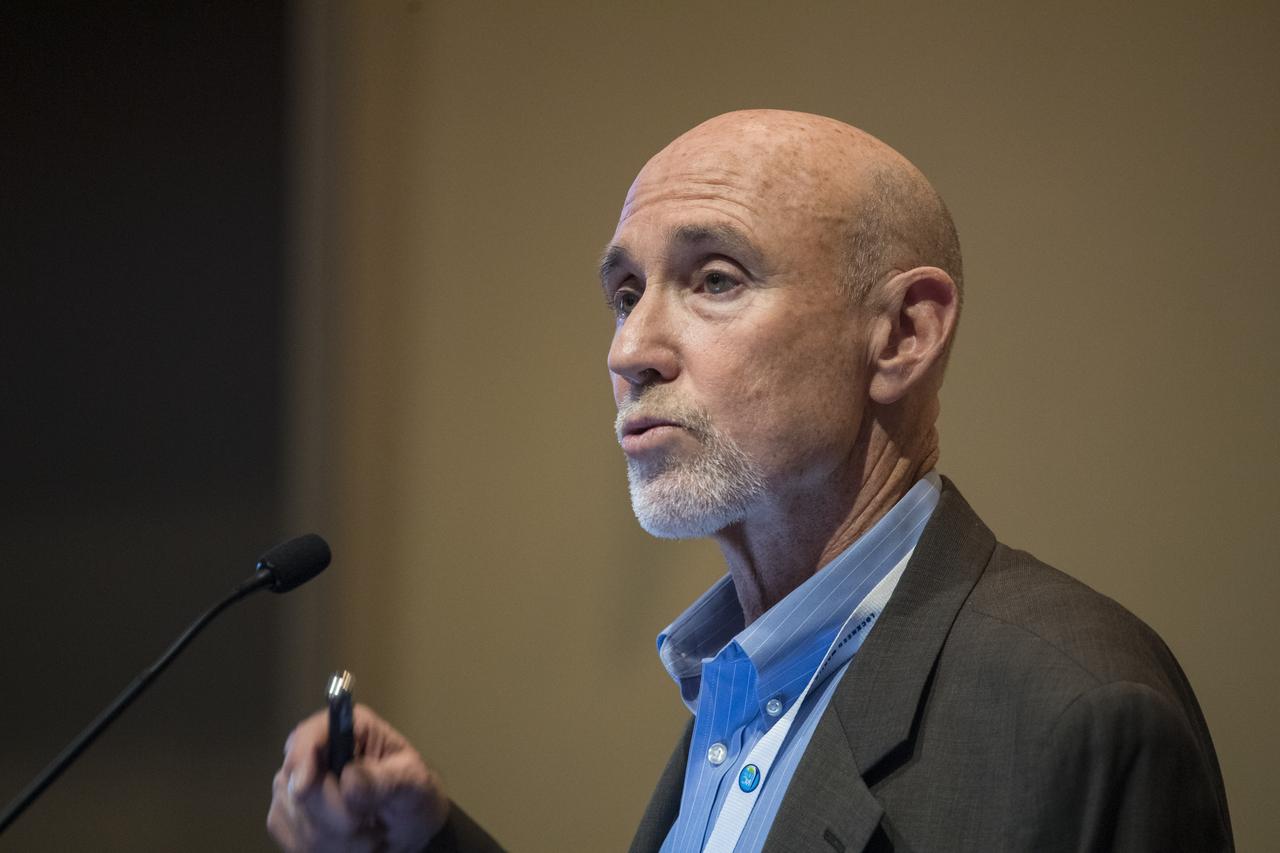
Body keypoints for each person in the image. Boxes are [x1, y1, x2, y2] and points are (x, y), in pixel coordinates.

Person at [266, 110, 1233, 852]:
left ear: (902, 335)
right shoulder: (745, 677)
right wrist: (421, 841)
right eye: (626, 294)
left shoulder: (1075, 712)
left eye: (716, 279)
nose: (630, 350)